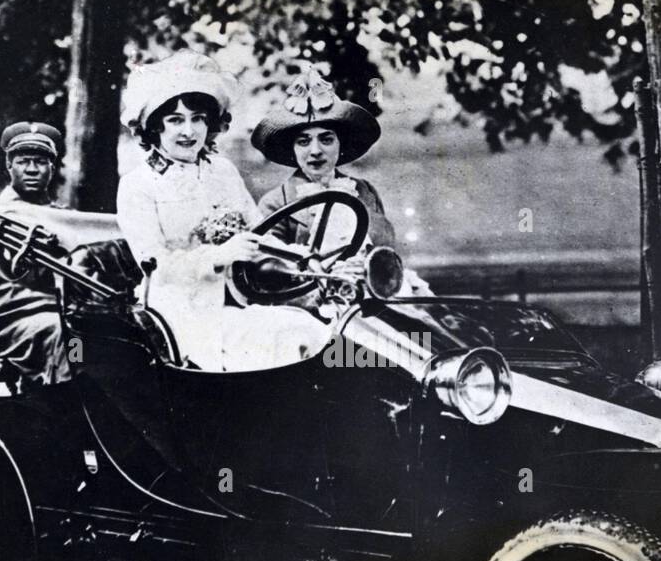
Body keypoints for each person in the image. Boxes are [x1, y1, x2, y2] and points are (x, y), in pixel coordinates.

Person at [115, 51, 329, 370]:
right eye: (175, 120)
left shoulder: (223, 171)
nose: (189, 131)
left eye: (198, 118)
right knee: (271, 341)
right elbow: (156, 265)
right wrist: (218, 255)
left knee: (310, 330)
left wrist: (298, 257)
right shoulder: (138, 185)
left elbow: (257, 231)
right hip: (177, 313)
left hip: (238, 299)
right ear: (155, 127)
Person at [252, 67, 431, 297]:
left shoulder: (364, 191)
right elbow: (269, 272)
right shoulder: (276, 202)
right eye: (304, 142)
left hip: (372, 292)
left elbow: (384, 252)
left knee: (422, 318)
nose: (315, 151)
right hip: (311, 301)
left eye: (326, 139)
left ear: (340, 144)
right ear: (293, 149)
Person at [0, 121, 70, 385]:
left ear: (52, 168)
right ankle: (69, 409)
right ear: (9, 166)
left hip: (66, 317)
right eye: (24, 161)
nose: (32, 169)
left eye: (41, 162)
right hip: (13, 324)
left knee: (113, 337)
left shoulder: (64, 218)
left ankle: (99, 409)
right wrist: (57, 298)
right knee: (69, 338)